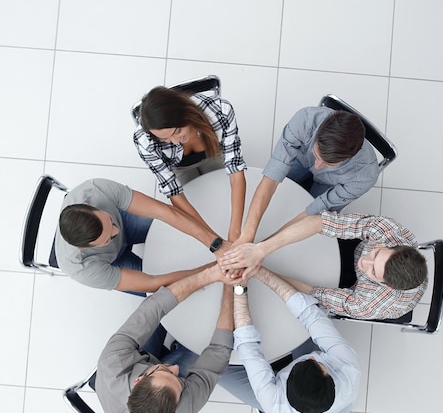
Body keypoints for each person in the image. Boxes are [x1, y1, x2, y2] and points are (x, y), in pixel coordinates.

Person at [95, 264, 235, 413]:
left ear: (138, 380)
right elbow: (219, 352)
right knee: (194, 350)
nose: (175, 368)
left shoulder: (112, 362)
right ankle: (177, 351)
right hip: (143, 368)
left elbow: (153, 308)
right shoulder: (182, 409)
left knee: (155, 317)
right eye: (180, 381)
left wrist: (209, 275)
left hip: (134, 357)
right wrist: (231, 287)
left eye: (165, 371)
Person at [221, 211, 428, 321]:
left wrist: (259, 270)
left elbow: (313, 292)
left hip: (353, 285)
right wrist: (261, 250)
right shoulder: (386, 231)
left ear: (386, 285)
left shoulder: (367, 303)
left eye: (373, 270)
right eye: (376, 253)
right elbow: (319, 222)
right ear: (393, 245)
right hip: (358, 244)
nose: (365, 262)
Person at [231, 268, 360, 413]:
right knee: (305, 327)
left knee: (221, 369)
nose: (313, 357)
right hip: (337, 404)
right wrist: (258, 271)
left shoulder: (276, 406)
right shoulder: (349, 369)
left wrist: (239, 289)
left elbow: (248, 348)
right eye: (318, 364)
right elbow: (311, 315)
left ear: (286, 382)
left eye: (309, 361)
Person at [234, 105, 378, 246]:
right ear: (317, 133)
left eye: (328, 164)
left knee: (312, 221)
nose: (317, 166)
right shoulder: (305, 120)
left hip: (330, 184)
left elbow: (315, 210)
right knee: (279, 196)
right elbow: (271, 179)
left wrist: (266, 245)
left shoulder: (365, 176)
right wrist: (247, 235)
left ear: (350, 157)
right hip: (299, 158)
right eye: (316, 155)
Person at [55, 178, 230, 294]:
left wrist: (216, 245)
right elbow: (153, 283)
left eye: (109, 221)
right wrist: (211, 270)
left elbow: (164, 212)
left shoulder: (94, 190)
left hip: (125, 221)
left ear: (89, 205)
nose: (116, 233)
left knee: (174, 226)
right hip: (113, 262)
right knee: (173, 292)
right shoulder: (81, 269)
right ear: (83, 248)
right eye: (108, 238)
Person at [133, 85, 247, 243]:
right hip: (179, 166)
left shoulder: (220, 110)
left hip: (213, 153)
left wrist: (235, 232)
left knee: (221, 199)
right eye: (165, 139)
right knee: (199, 208)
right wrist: (213, 240)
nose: (175, 141)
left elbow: (235, 171)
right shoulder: (144, 140)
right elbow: (173, 191)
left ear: (187, 114)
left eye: (177, 132)